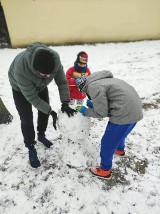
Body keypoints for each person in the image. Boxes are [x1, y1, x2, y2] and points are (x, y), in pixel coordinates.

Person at [8, 42, 77, 168]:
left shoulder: (54, 59)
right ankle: (30, 147)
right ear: (35, 70)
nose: (49, 77)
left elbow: (62, 82)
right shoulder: (21, 68)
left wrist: (65, 102)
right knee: (26, 118)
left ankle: (41, 134)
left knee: (44, 110)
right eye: (45, 75)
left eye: (50, 74)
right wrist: (50, 110)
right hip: (20, 88)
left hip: (40, 86)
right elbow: (32, 97)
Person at [76, 70, 143, 180]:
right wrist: (94, 105)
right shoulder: (104, 80)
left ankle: (105, 170)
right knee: (120, 134)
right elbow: (111, 102)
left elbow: (101, 113)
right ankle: (120, 150)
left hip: (124, 112)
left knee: (107, 143)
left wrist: (86, 111)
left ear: (84, 87)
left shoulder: (93, 87)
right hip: (135, 109)